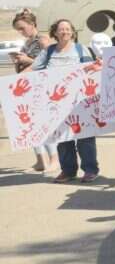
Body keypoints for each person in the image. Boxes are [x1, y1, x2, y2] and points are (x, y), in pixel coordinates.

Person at [32, 19, 99, 183]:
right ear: (55, 32)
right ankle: (68, 171)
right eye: (61, 29)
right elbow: (34, 70)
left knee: (85, 136)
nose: (65, 32)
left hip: (80, 101)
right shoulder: (48, 51)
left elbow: (92, 70)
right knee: (62, 138)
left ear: (72, 32)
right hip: (56, 103)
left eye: (68, 29)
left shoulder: (81, 49)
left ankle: (90, 170)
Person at [11, 9, 56, 171]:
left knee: (42, 124)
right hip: (27, 87)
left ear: (32, 24)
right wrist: (19, 61)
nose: (21, 32)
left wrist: (27, 60)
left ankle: (54, 158)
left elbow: (51, 63)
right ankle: (40, 160)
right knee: (30, 124)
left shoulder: (43, 40)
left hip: (40, 87)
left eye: (22, 28)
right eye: (18, 30)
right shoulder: (28, 42)